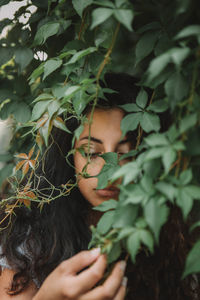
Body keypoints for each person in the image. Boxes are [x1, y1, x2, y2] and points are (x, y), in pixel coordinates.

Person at [0, 73, 199, 299]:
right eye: (91, 153)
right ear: (68, 154)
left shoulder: (175, 235)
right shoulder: (29, 239)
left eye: (127, 154)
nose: (109, 175)